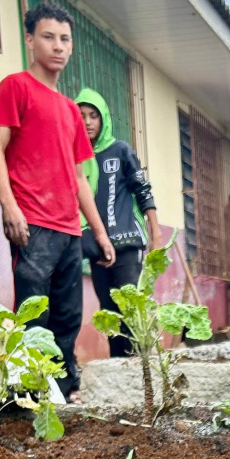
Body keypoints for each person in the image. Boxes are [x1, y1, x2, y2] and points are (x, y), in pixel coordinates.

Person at [0, 3, 116, 399]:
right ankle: (23, 392)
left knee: (68, 316)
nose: (58, 47)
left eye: (65, 39)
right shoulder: (16, 87)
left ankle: (60, 391)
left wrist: (99, 231)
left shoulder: (70, 111)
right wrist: (9, 206)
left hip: (68, 229)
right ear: (30, 40)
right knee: (32, 313)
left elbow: (79, 179)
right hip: (32, 225)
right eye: (48, 37)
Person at [75, 88, 162, 357]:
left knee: (131, 309)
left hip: (126, 242)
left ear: (104, 120)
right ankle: (119, 366)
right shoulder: (76, 159)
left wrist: (155, 233)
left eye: (93, 116)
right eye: (81, 116)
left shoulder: (120, 150)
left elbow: (142, 190)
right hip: (97, 247)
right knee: (109, 312)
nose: (88, 122)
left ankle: (141, 366)